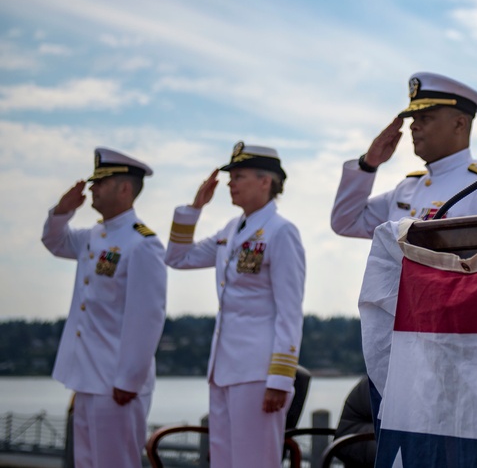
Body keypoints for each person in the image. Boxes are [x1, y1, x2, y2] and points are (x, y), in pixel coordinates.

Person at [165, 142, 305, 468]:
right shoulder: (231, 230)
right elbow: (177, 257)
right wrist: (194, 208)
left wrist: (280, 379)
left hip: (259, 371)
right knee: (224, 461)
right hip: (225, 367)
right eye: (231, 177)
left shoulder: (281, 232)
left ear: (265, 181)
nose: (231, 183)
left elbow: (289, 310)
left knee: (255, 461)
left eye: (238, 176)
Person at [41, 147, 167, 468]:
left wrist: (129, 379)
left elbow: (147, 320)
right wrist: (62, 211)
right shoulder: (94, 236)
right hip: (86, 374)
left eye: (101, 183)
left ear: (124, 189)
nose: (92, 189)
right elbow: (55, 242)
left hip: (117, 380)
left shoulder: (143, 244)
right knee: (87, 463)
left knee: (115, 463)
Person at [331, 71, 477, 237]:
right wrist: (368, 165)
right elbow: (345, 223)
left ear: (459, 124)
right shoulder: (406, 188)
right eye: (414, 119)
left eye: (425, 117)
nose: (413, 126)